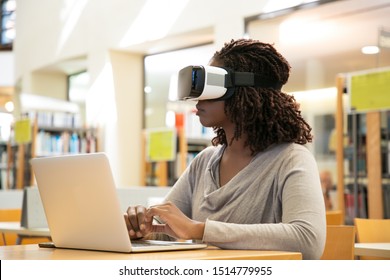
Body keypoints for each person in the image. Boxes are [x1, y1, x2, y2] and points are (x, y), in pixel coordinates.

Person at [124, 38, 326, 260]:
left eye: (211, 85)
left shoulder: (291, 159)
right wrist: (142, 227)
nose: (198, 98)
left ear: (243, 91)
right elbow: (167, 229)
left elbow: (308, 239)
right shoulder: (205, 162)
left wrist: (201, 230)